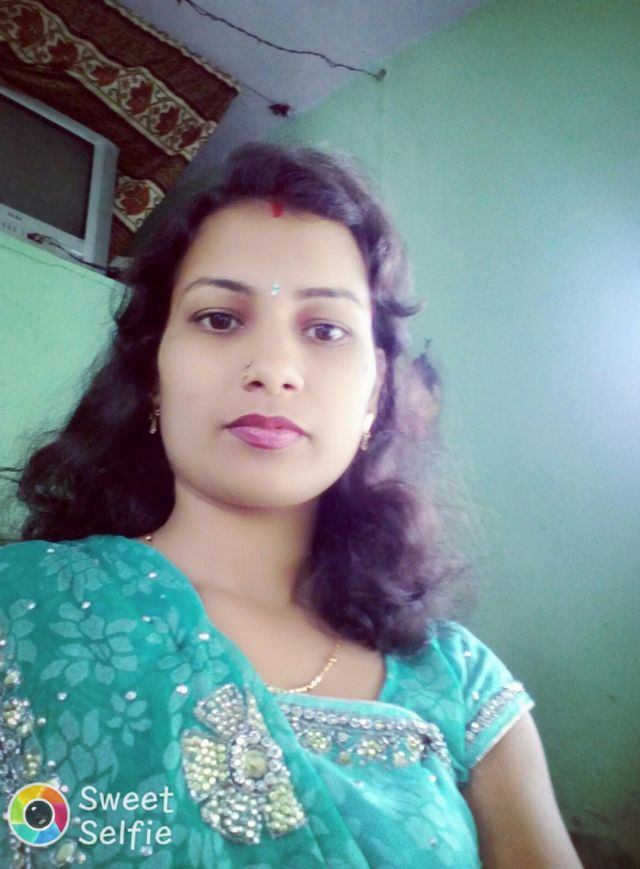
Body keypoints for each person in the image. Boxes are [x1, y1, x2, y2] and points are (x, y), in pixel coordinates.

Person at [0, 143, 581, 868]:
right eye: (219, 318)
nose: (273, 369)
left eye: (326, 329)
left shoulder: (464, 686)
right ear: (153, 374)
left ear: (374, 395)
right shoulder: (22, 608)